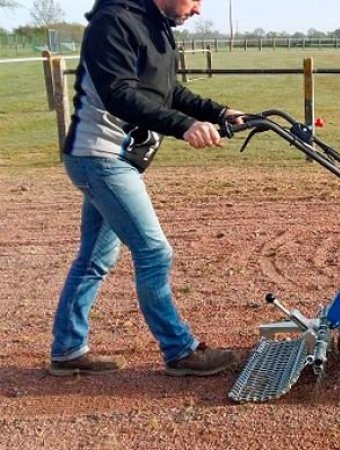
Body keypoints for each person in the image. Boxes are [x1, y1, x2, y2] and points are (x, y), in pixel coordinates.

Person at [49, 0, 241, 377]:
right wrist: (184, 125)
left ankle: (67, 349)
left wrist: (219, 112)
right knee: (154, 251)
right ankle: (179, 350)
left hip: (112, 159)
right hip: (99, 156)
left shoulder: (155, 26)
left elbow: (168, 91)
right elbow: (119, 93)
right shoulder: (114, 21)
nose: (199, 9)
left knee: (95, 258)